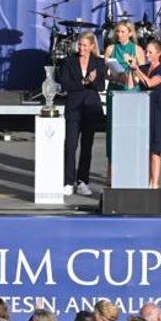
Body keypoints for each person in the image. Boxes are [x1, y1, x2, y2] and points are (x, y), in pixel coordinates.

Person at [58, 30, 106, 196]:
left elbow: (100, 86)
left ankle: (82, 181)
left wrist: (92, 81)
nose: (81, 48)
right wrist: (83, 81)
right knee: (70, 145)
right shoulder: (68, 62)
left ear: (92, 46)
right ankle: (68, 181)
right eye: (80, 45)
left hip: (91, 108)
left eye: (85, 45)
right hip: (73, 108)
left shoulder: (99, 63)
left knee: (87, 146)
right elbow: (65, 84)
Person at [129, 38, 161, 189]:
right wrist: (131, 69)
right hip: (142, 108)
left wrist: (137, 70)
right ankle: (141, 180)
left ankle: (154, 184)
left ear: (158, 54)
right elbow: (131, 84)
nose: (146, 54)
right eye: (146, 51)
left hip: (156, 110)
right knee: (142, 148)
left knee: (155, 150)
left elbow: (150, 83)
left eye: (150, 52)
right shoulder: (144, 67)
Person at [104, 20, 145, 91]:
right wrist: (114, 79)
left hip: (131, 88)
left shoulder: (137, 49)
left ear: (130, 33)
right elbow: (104, 72)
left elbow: (142, 73)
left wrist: (132, 67)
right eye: (118, 31)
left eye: (123, 32)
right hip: (114, 88)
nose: (119, 34)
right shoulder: (110, 49)